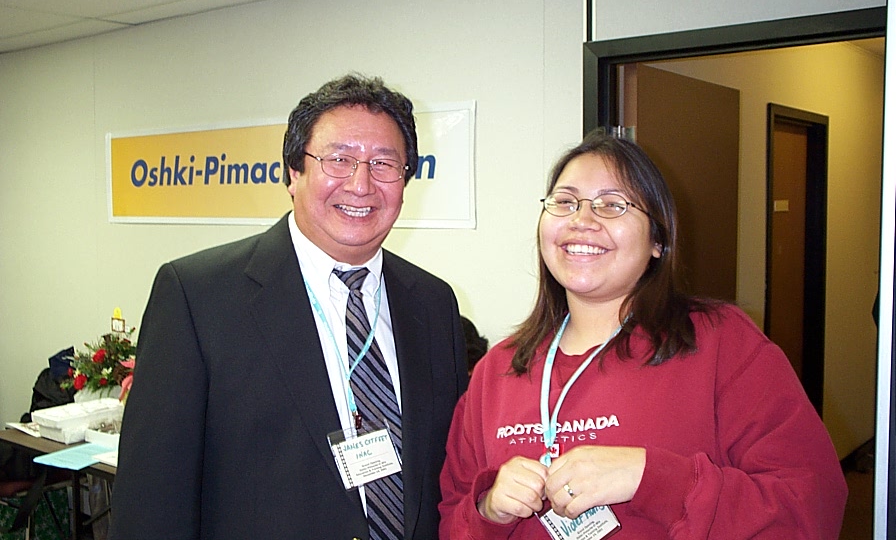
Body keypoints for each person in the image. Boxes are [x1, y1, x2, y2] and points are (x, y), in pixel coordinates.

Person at [110, 74, 469, 540]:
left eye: (384, 164)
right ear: (293, 173)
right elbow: (150, 502)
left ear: (405, 181)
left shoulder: (433, 303)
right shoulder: (197, 297)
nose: (361, 184)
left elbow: (449, 475)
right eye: (339, 159)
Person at [439, 132, 847, 539]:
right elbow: (451, 517)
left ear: (658, 240)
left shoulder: (721, 344)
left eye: (612, 205)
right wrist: (487, 511)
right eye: (565, 202)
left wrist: (650, 478)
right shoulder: (498, 371)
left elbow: (810, 507)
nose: (581, 220)